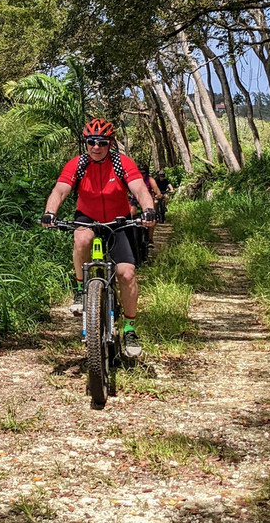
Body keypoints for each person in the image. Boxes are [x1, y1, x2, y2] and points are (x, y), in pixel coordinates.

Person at [40, 118, 156, 359]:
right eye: (91, 142)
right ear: (86, 143)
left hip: (118, 221)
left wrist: (148, 209)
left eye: (102, 142)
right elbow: (60, 190)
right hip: (87, 217)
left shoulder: (121, 163)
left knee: (126, 273)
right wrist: (50, 213)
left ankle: (129, 330)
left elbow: (139, 189)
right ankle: (82, 289)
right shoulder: (78, 164)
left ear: (110, 143)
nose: (96, 147)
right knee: (81, 240)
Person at [131, 163, 165, 247]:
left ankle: (150, 239)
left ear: (146, 173)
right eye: (139, 173)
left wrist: (158, 196)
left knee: (151, 216)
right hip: (135, 201)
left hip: (147, 202)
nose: (141, 175)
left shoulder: (150, 180)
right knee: (131, 213)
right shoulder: (133, 179)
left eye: (143, 173)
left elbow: (157, 190)